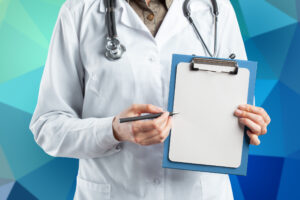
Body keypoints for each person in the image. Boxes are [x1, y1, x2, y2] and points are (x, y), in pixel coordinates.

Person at [29, 0, 271, 199]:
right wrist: (113, 130)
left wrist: (250, 123)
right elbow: (47, 126)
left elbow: (237, 102)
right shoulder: (79, 12)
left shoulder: (215, 8)